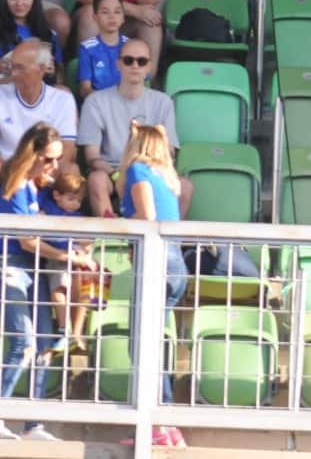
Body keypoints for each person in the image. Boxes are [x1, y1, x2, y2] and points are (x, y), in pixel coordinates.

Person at [0, 123, 95, 442]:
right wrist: (70, 257)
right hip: (13, 266)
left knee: (43, 344)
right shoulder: (13, 186)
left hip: (33, 269)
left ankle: (33, 423)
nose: (54, 166)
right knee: (24, 342)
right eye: (49, 159)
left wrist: (75, 247)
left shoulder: (34, 187)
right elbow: (28, 241)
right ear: (33, 154)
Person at [119, 121, 190, 447]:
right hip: (174, 262)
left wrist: (115, 223)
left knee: (142, 346)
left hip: (156, 262)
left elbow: (146, 217)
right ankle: (166, 424)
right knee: (150, 344)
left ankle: (157, 425)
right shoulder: (166, 176)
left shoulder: (137, 171)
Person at [79, 38, 186, 219]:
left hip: (151, 169)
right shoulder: (95, 101)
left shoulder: (163, 102)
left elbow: (168, 153)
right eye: (128, 60)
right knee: (96, 180)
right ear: (118, 64)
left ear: (149, 67)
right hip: (111, 170)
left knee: (186, 185)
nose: (135, 65)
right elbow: (92, 156)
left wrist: (144, 172)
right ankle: (109, 239)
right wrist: (117, 176)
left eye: (141, 61)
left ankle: (171, 240)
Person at [0, 40, 77, 163]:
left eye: (20, 68)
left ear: (41, 69)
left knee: (71, 171)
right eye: (12, 67)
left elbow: (68, 149)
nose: (14, 74)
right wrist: (16, 177)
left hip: (48, 169)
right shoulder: (1, 95)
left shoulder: (63, 99)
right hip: (8, 171)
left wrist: (39, 174)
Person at [38, 171, 90, 354]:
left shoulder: (79, 216)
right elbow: (46, 185)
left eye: (79, 200)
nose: (75, 204)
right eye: (71, 198)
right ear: (57, 195)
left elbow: (88, 242)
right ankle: (64, 330)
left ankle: (75, 333)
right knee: (59, 290)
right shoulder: (48, 206)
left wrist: (83, 249)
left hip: (77, 260)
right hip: (58, 259)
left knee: (82, 290)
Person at [1, 0, 62, 78]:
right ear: (4, 0)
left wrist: (52, 73)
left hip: (39, 89)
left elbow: (59, 75)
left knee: (64, 91)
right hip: (5, 87)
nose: (19, 3)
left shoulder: (48, 33)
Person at [76, 0, 129, 99]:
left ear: (123, 17)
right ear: (95, 17)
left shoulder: (131, 46)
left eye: (117, 12)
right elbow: (85, 89)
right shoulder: (87, 48)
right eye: (105, 12)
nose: (112, 17)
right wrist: (105, 102)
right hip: (99, 105)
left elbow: (140, 83)